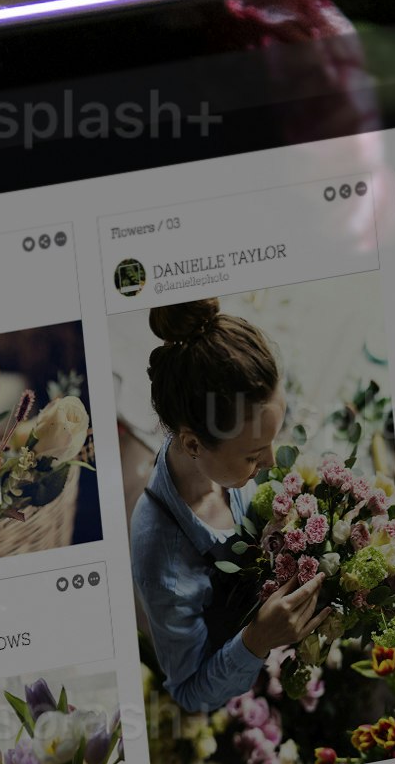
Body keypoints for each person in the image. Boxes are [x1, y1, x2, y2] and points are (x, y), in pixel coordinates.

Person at [129, 305, 323, 733]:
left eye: (273, 437)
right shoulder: (161, 554)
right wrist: (257, 640)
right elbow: (190, 692)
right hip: (237, 701)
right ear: (194, 444)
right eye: (254, 455)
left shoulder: (231, 451)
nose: (272, 461)